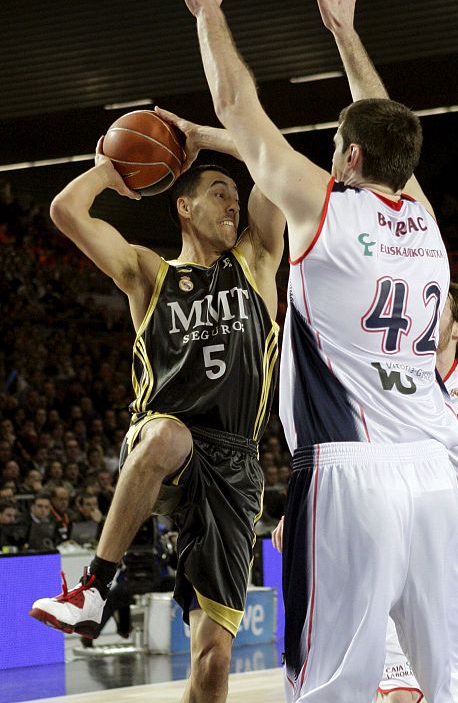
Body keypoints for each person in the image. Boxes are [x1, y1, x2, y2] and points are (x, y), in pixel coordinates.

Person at [168, 0, 458, 702]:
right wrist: (348, 34)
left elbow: (235, 104)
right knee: (451, 682)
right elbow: (384, 130)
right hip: (428, 477)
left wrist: (206, 12)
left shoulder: (325, 211)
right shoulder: (426, 222)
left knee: (327, 683)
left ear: (345, 159)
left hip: (349, 473)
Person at [29, 113, 284, 702]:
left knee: (213, 662)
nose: (234, 205)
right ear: (183, 207)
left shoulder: (258, 261)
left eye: (237, 197)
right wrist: (107, 172)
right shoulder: (149, 274)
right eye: (219, 193)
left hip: (234, 469)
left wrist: (210, 140)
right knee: (171, 436)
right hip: (161, 440)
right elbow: (66, 212)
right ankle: (94, 588)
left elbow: (273, 157)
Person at [379, 283, 458, 702]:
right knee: (400, 694)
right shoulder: (394, 382)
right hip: (397, 557)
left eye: (437, 303)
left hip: (456, 563)